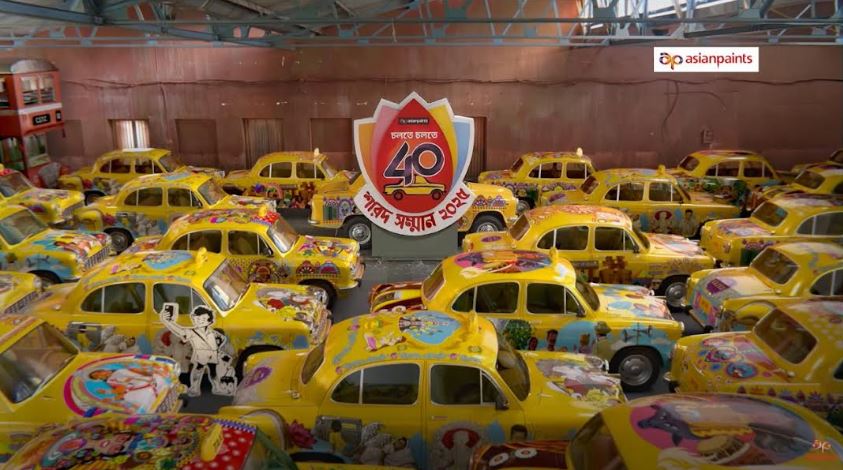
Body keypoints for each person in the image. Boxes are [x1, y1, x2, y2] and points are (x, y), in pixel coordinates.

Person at [159, 303, 230, 396]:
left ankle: (217, 387)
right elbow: (180, 331)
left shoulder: (213, 333)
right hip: (200, 356)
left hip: (212, 356)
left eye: (204, 319)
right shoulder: (192, 332)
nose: (201, 321)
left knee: (213, 373)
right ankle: (195, 388)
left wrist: (215, 348)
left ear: (210, 321)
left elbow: (222, 339)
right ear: (194, 319)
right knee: (197, 372)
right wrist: (168, 322)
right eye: (198, 319)